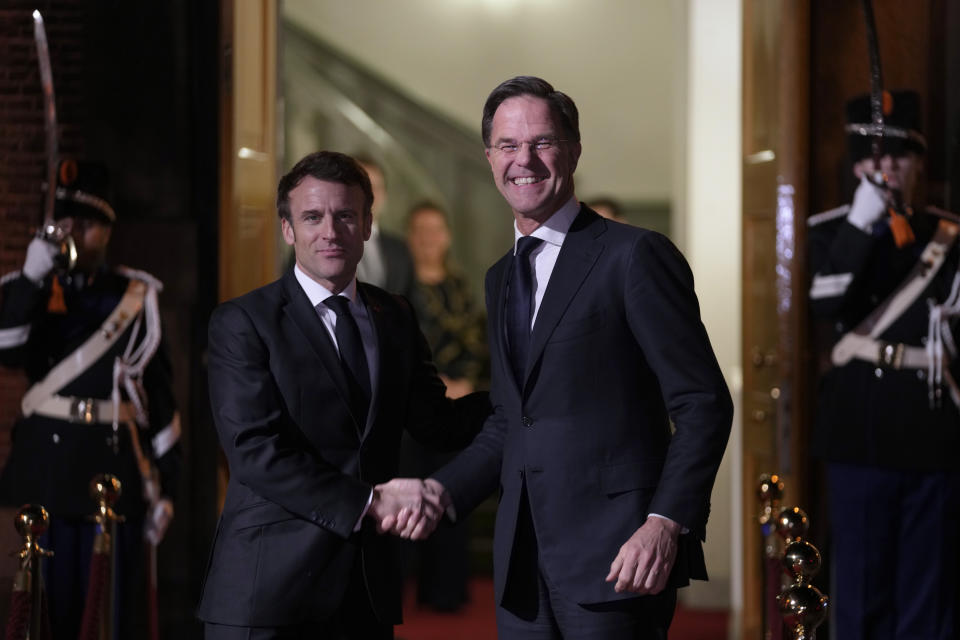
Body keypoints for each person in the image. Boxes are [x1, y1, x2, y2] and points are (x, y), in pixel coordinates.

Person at [392, 76, 733, 638]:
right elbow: (510, 418)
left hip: (621, 561)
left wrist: (665, 522)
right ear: (488, 157)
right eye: (507, 145)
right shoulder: (500, 276)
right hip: (523, 566)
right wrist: (441, 491)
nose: (523, 159)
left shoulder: (634, 256)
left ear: (573, 150)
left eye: (542, 142)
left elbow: (703, 403)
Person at [196, 150, 490, 639]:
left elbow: (436, 422)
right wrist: (371, 501)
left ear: (368, 225)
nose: (330, 231)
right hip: (267, 592)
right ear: (288, 229)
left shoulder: (394, 315)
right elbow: (255, 454)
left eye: (345, 215)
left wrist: (521, 394)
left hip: (365, 592)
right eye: (312, 217)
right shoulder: (244, 322)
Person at [0, 159, 180, 639]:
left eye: (87, 224)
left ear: (108, 230)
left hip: (111, 477)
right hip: (44, 480)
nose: (74, 234)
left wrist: (171, 490)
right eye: (64, 222)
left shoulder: (134, 297)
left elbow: (159, 400)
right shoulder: (26, 291)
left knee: (109, 617)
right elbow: (8, 349)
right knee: (44, 612)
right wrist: (33, 277)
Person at [808, 90, 960, 640]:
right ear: (857, 166)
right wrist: (860, 226)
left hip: (933, 425)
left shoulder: (948, 235)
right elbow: (824, 305)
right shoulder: (829, 231)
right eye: (875, 158)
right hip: (860, 430)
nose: (887, 168)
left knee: (929, 587)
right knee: (862, 583)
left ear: (918, 164)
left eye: (899, 157)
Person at [402, 201, 488, 612]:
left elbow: (477, 342)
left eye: (436, 231)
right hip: (408, 408)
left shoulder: (458, 286)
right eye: (420, 232)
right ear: (409, 238)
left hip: (455, 406)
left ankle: (445, 593)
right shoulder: (399, 287)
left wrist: (464, 382)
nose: (428, 240)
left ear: (448, 237)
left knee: (451, 495)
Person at [354, 154, 415, 297]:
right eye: (361, 186)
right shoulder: (317, 242)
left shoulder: (400, 249)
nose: (369, 194)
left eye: (375, 187)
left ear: (385, 195)